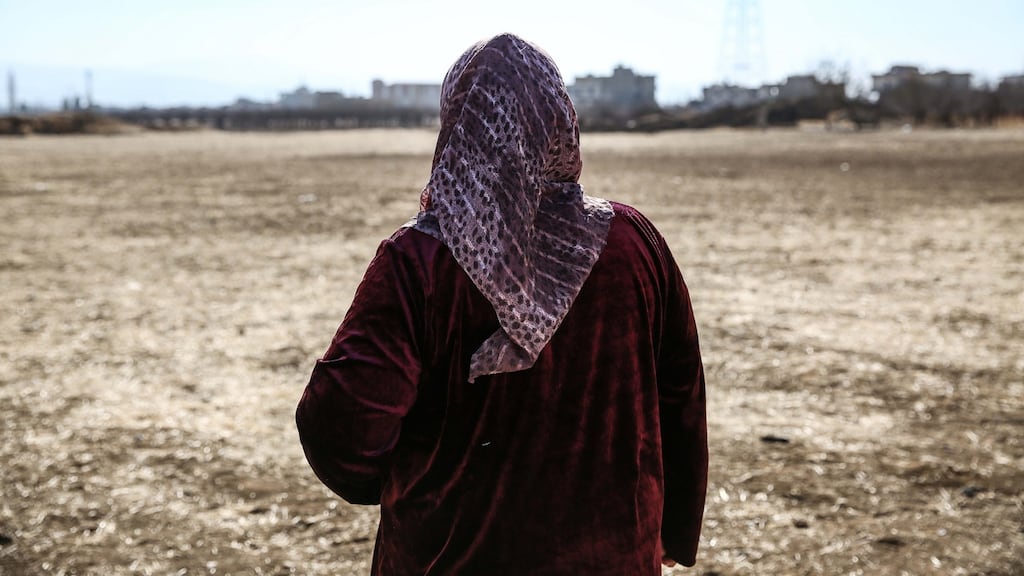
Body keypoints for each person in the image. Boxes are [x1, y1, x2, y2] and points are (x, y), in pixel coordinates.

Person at [295, 33, 707, 575]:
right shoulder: (634, 242)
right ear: (560, 121)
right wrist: (671, 528)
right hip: (616, 557)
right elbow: (681, 396)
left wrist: (406, 482)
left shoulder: (420, 261)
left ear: (457, 126)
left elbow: (344, 430)